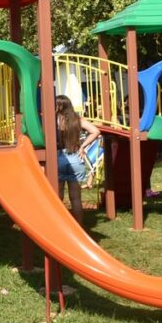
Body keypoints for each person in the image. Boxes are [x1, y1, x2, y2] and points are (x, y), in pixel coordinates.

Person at [55, 94, 100, 225]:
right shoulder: (78, 120)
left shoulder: (54, 120)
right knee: (76, 198)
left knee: (58, 197)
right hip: (76, 158)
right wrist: (83, 146)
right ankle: (79, 227)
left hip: (59, 158)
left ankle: (60, 225)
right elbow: (95, 131)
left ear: (58, 106)